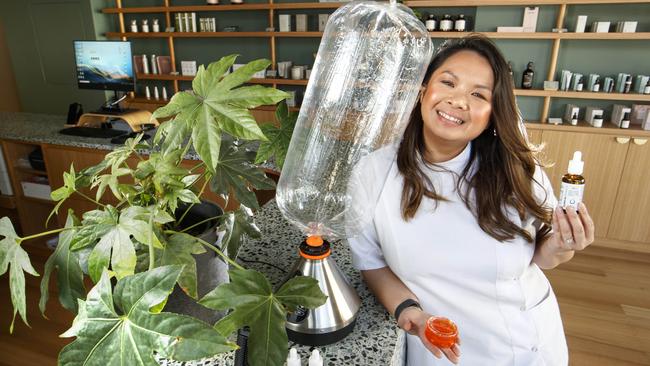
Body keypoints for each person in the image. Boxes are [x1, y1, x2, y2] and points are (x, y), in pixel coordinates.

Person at [347, 34, 595, 365]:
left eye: (478, 94)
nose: (459, 100)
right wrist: (409, 310)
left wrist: (563, 245)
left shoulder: (516, 170)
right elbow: (371, 262)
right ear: (423, 90)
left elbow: (542, 255)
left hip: (528, 345)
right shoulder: (375, 171)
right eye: (448, 83)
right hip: (442, 347)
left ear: (493, 113)